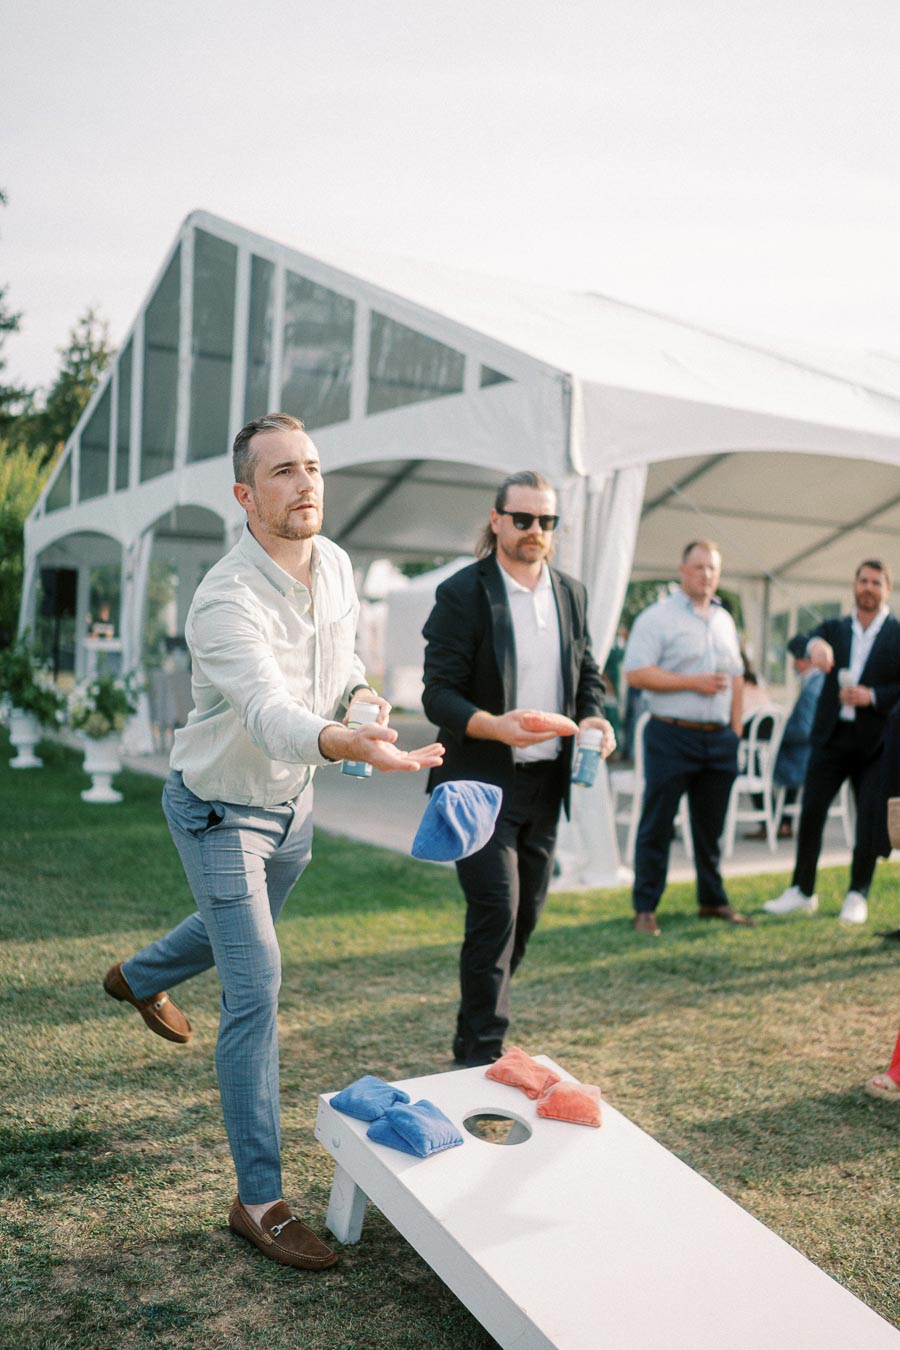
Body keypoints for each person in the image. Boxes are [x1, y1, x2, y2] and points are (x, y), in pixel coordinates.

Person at [103, 413, 444, 1271]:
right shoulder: (222, 599)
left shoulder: (334, 564)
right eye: (284, 472)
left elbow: (346, 672)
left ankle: (136, 977)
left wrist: (366, 709)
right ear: (245, 495)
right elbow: (272, 713)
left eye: (314, 467)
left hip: (294, 813)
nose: (306, 484)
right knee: (256, 982)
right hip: (219, 809)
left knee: (232, 941)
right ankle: (259, 1201)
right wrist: (344, 741)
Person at [421, 469, 614, 1068]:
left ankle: (471, 1033)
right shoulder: (462, 593)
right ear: (497, 519)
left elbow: (588, 675)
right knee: (497, 910)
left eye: (547, 521)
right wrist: (494, 724)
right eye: (524, 518)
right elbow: (438, 695)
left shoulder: (572, 594)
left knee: (523, 919)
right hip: (477, 785)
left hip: (547, 782)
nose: (536, 530)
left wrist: (596, 719)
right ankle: (482, 1056)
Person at [623, 540, 750, 935]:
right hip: (671, 735)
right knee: (658, 824)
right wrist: (691, 683)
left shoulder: (724, 620)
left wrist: (736, 729)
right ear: (682, 569)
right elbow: (636, 673)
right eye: (699, 567)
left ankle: (712, 901)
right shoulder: (656, 618)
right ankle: (645, 908)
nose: (707, 575)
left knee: (710, 829)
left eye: (713, 568)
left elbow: (737, 675)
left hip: (719, 740)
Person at [764, 559, 900, 924]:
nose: (868, 587)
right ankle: (802, 890)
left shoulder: (897, 633)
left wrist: (873, 696)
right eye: (863, 580)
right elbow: (797, 641)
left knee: (868, 818)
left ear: (887, 588)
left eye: (876, 582)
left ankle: (858, 894)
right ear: (854, 585)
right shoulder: (837, 628)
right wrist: (815, 645)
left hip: (875, 744)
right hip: (831, 738)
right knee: (811, 813)